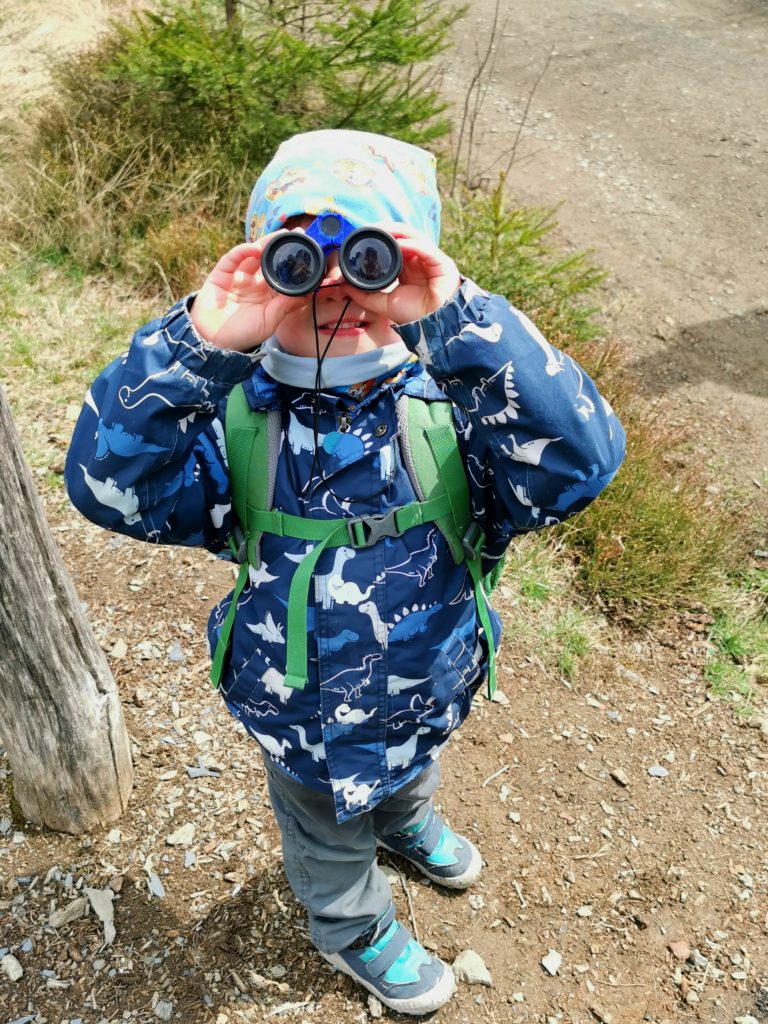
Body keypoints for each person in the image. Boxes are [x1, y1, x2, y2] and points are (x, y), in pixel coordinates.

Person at [65, 130, 625, 1015]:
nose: (336, 288)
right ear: (265, 271)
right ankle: (350, 926)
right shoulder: (239, 427)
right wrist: (198, 340)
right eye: (300, 262)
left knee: (412, 772)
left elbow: (582, 463)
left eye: (370, 260)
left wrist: (454, 315)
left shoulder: (458, 417)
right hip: (301, 718)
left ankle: (403, 827)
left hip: (427, 685)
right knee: (327, 839)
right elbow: (107, 487)